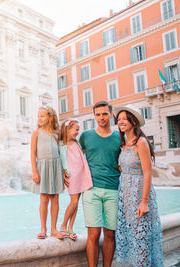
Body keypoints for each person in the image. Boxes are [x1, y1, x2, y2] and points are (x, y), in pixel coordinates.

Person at [113, 104, 164, 266]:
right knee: (132, 236)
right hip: (125, 197)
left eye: (124, 119)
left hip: (139, 196)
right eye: (119, 119)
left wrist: (144, 201)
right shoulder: (124, 145)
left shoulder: (141, 142)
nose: (120, 122)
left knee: (141, 238)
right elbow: (124, 168)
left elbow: (147, 173)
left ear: (133, 122)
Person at [79, 101, 121, 267]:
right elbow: (75, 156)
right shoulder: (86, 136)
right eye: (98, 114)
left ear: (111, 114)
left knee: (110, 234)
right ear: (94, 116)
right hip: (91, 190)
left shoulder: (119, 137)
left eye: (105, 114)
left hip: (113, 190)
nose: (101, 117)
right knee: (94, 233)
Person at [30, 107, 65, 240]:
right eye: (38, 116)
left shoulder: (56, 134)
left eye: (42, 116)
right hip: (43, 167)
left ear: (50, 117)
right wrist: (34, 171)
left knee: (55, 198)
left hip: (55, 166)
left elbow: (62, 152)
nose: (39, 119)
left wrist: (64, 170)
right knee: (44, 198)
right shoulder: (36, 133)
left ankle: (54, 229)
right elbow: (33, 153)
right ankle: (43, 228)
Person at [58, 118, 93, 241]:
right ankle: (63, 225)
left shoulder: (76, 143)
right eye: (76, 129)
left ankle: (70, 228)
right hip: (72, 176)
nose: (78, 132)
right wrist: (63, 173)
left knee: (76, 202)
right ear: (67, 130)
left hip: (80, 175)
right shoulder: (62, 145)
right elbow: (61, 162)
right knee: (73, 201)